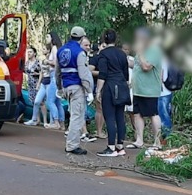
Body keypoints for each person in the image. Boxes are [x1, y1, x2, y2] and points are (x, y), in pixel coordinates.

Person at [94, 29, 131, 156]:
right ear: (116, 39)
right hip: (121, 85)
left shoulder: (103, 54)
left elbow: (103, 74)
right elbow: (126, 74)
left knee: (109, 116)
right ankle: (120, 146)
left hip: (110, 86)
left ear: (104, 39)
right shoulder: (122, 54)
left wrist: (98, 91)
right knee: (120, 116)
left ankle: (110, 147)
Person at [57, 26, 93, 155]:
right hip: (77, 87)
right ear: (82, 37)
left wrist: (59, 87)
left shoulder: (61, 50)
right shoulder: (79, 52)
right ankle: (72, 145)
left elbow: (58, 72)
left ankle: (72, 143)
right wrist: (89, 90)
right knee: (77, 117)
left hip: (66, 86)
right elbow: (83, 74)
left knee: (73, 114)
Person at [128, 27, 163, 150]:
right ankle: (139, 140)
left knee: (153, 114)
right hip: (138, 89)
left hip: (149, 90)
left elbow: (146, 66)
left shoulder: (154, 50)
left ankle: (157, 142)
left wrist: (141, 52)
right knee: (137, 114)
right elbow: (137, 65)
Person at [24, 33, 63, 128]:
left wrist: (47, 62)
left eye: (47, 36)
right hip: (49, 79)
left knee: (50, 101)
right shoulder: (55, 49)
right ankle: (60, 123)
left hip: (53, 77)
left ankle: (56, 122)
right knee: (56, 102)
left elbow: (56, 63)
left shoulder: (54, 48)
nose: (46, 38)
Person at [22, 46, 46, 124]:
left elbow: (43, 73)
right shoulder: (27, 63)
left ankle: (45, 121)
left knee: (41, 102)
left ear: (34, 53)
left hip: (37, 83)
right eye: (28, 52)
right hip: (30, 84)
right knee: (33, 102)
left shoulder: (38, 62)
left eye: (30, 52)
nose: (29, 53)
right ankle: (37, 119)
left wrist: (38, 83)